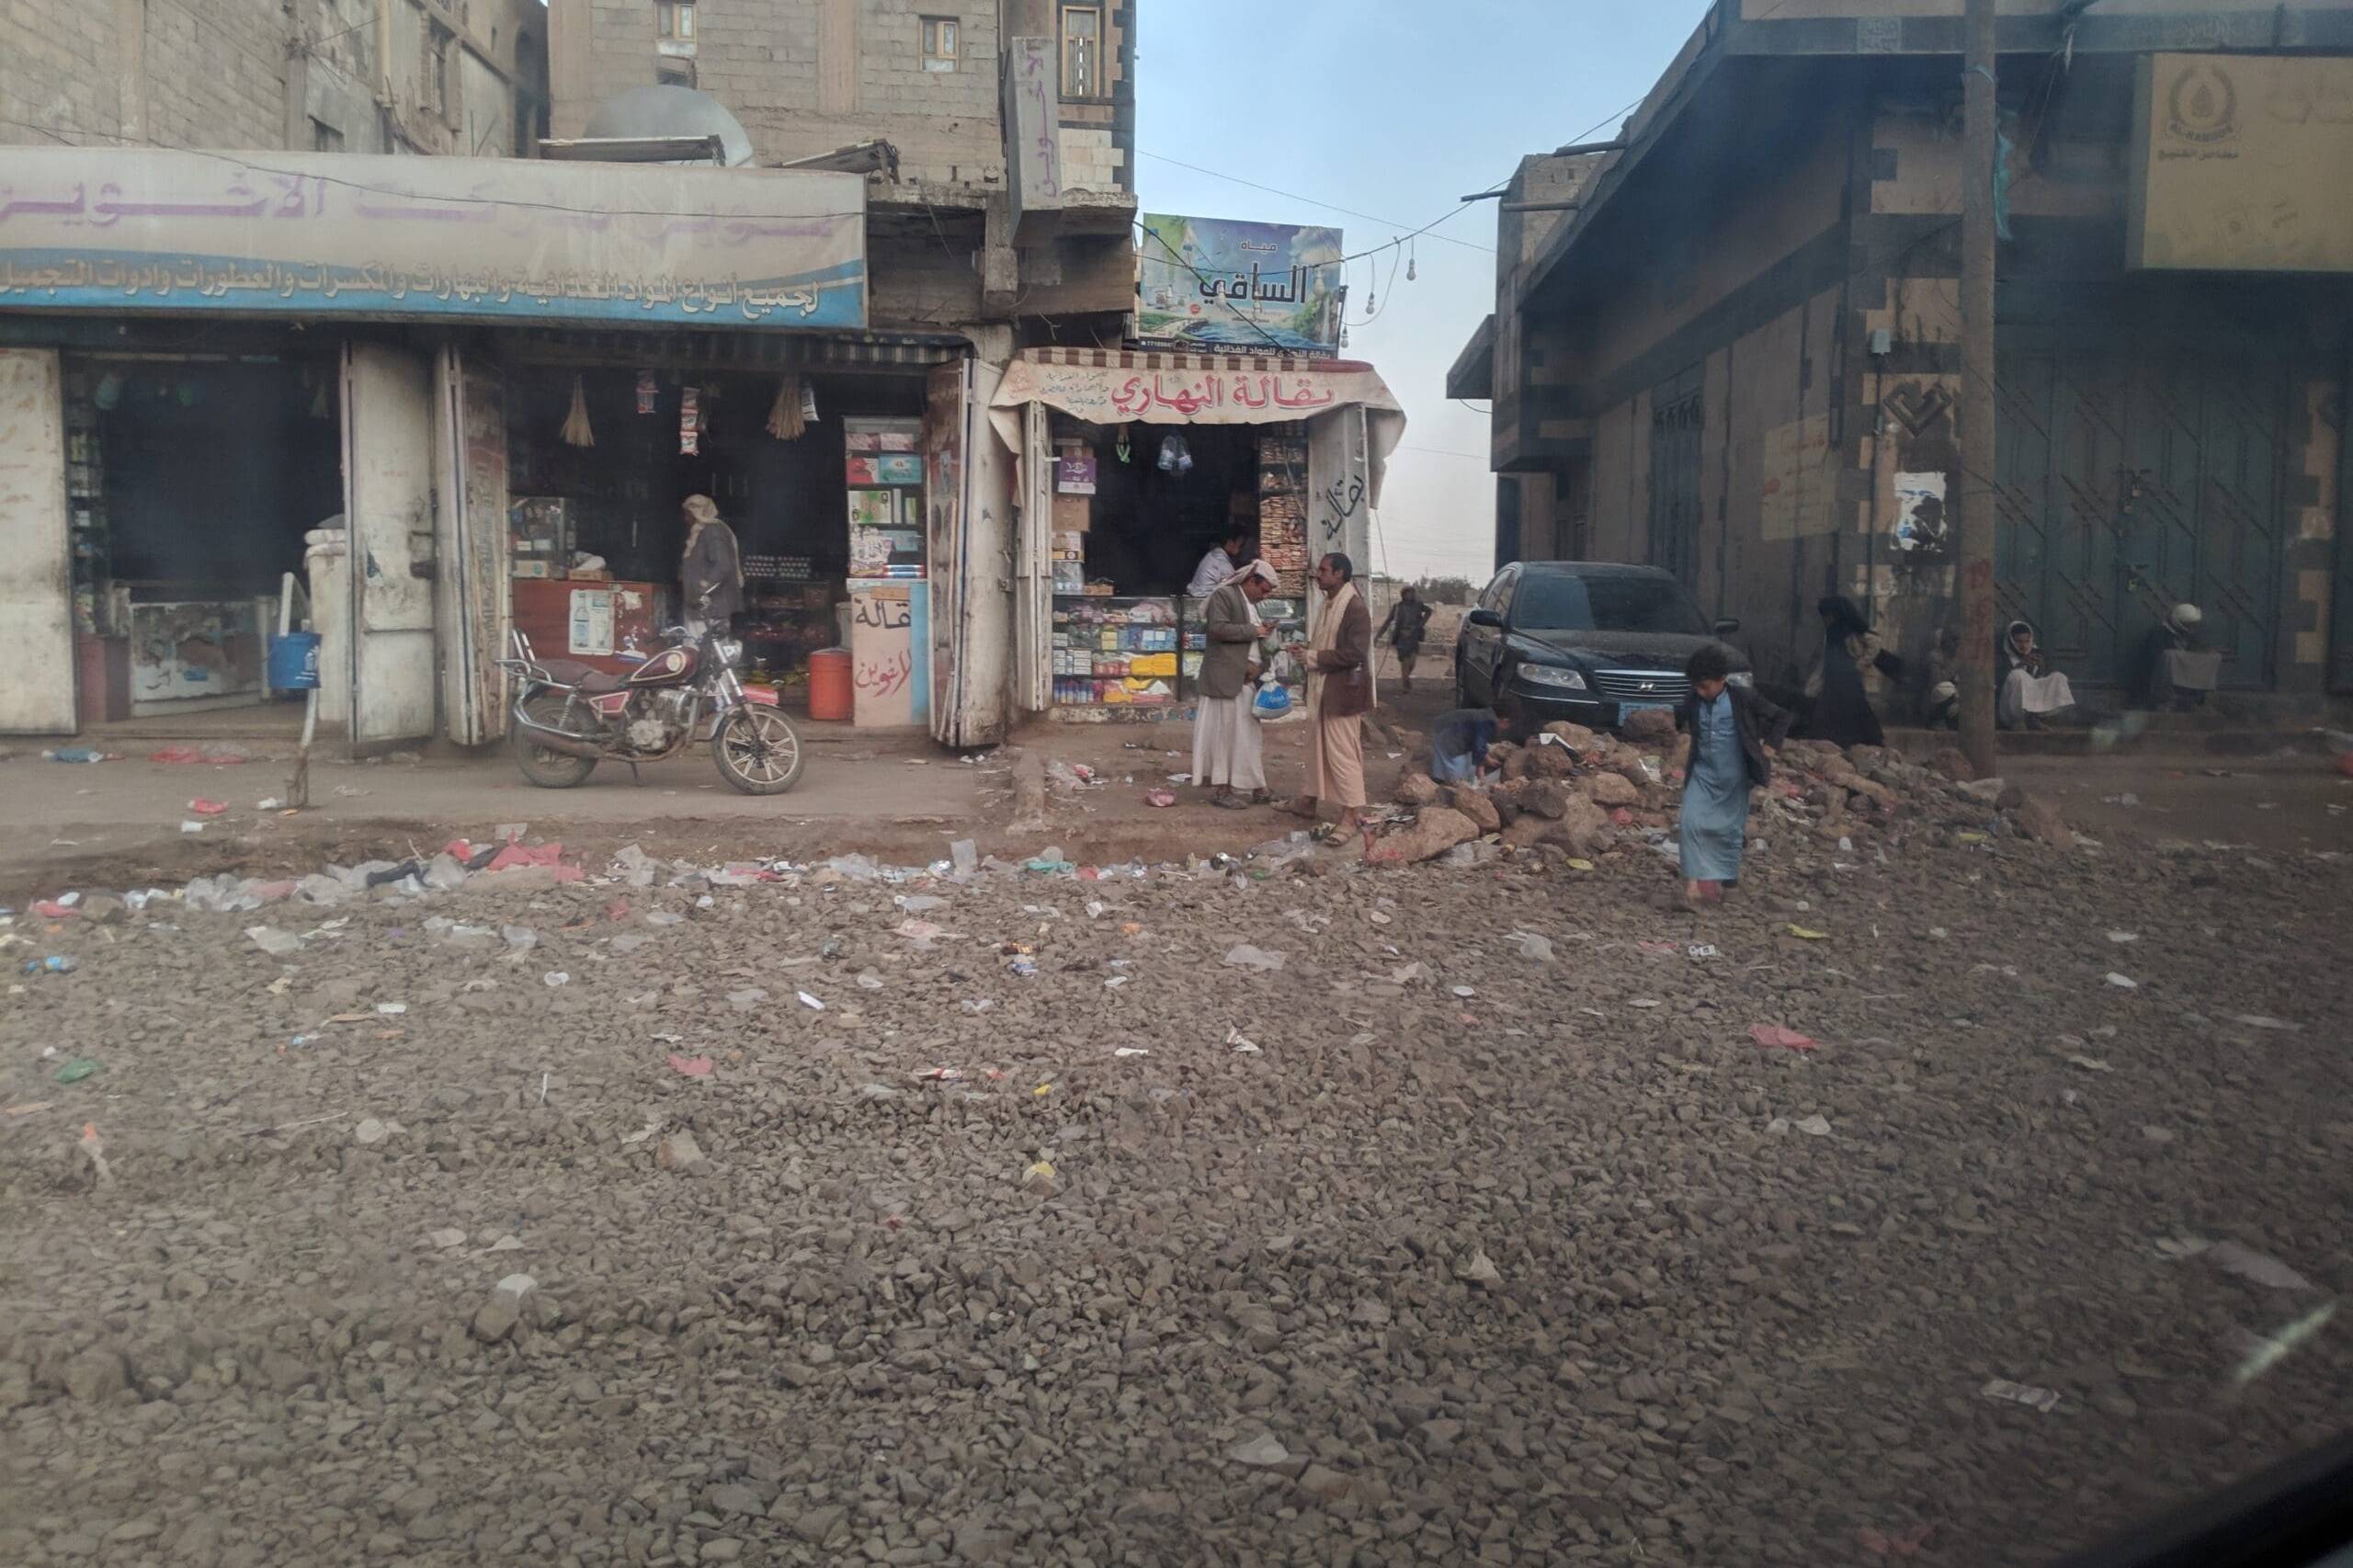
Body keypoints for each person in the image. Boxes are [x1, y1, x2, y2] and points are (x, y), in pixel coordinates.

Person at [1677, 642, 1791, 906]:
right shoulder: (1693, 700)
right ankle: (1691, 888)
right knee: (1689, 822)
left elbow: (1782, 717)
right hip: (1703, 772)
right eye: (1696, 686)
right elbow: (1678, 720)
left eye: (1705, 686)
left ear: (1722, 680)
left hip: (1735, 776)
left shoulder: (1743, 698)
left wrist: (1770, 747)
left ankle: (1729, 883)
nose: (1700, 691)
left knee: (1729, 830)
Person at [1284, 552, 1374, 833]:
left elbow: (1354, 654)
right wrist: (1306, 651)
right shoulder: (1329, 603)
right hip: (1323, 689)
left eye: (1323, 570)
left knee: (1342, 754)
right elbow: (1326, 643)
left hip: (1342, 693)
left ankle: (1351, 816)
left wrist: (1313, 657)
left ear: (1339, 574)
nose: (1318, 574)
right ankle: (1307, 802)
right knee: (1315, 749)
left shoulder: (1354, 607)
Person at [1194, 560, 1279, 809]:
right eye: (1264, 590)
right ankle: (1222, 790)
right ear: (1251, 581)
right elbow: (1218, 629)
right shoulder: (1225, 595)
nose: (1265, 596)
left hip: (1244, 682)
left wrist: (1264, 641)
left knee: (1248, 738)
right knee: (1224, 737)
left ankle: (1257, 787)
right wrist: (1255, 631)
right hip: (1225, 680)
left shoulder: (1251, 605)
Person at [1801, 596, 1904, 747]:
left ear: (1834, 614)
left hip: (1849, 681)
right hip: (1833, 682)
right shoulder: (1830, 634)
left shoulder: (1852, 631)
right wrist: (1812, 687)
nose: (1824, 620)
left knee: (1857, 713)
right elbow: (1824, 661)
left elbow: (1874, 644)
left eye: (1826, 615)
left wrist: (1859, 666)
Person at [2134, 602, 2222, 711]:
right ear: (2180, 623)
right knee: (2170, 656)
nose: (2194, 627)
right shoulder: (2158, 634)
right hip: (2156, 682)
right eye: (2190, 624)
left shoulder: (2190, 636)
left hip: (2182, 683)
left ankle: (2193, 698)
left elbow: (2196, 651)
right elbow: (2155, 662)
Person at [679, 494, 743, 638]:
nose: (686, 519)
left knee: (705, 647)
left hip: (710, 607)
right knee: (701, 646)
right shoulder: (701, 531)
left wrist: (704, 585)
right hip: (702, 606)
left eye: (688, 514)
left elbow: (723, 565)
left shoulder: (713, 531)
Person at [1998, 619, 2077, 729]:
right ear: (2011, 641)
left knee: (2058, 677)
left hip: (2032, 710)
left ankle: (2036, 719)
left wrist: (2040, 668)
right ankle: (2018, 721)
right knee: (2017, 675)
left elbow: (2039, 684)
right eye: (2019, 642)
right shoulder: (2002, 657)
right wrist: (2020, 664)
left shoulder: (2036, 654)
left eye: (2026, 641)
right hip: (2009, 711)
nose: (2023, 646)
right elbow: (1999, 683)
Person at [1376, 585, 1435, 693]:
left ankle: (1406, 678)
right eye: (1406, 593)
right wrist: (1378, 635)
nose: (1409, 595)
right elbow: (1388, 621)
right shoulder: (1397, 607)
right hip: (1401, 638)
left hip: (1413, 637)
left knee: (1412, 662)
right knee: (1404, 662)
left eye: (1411, 593)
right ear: (1403, 595)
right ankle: (1406, 685)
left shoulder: (1418, 605)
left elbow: (1429, 611)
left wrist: (1420, 625)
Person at [1186, 528, 1251, 598]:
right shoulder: (1223, 563)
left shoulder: (1212, 554)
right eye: (1241, 545)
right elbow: (1235, 589)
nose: (1241, 550)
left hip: (1196, 595)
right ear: (1230, 543)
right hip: (1203, 599)